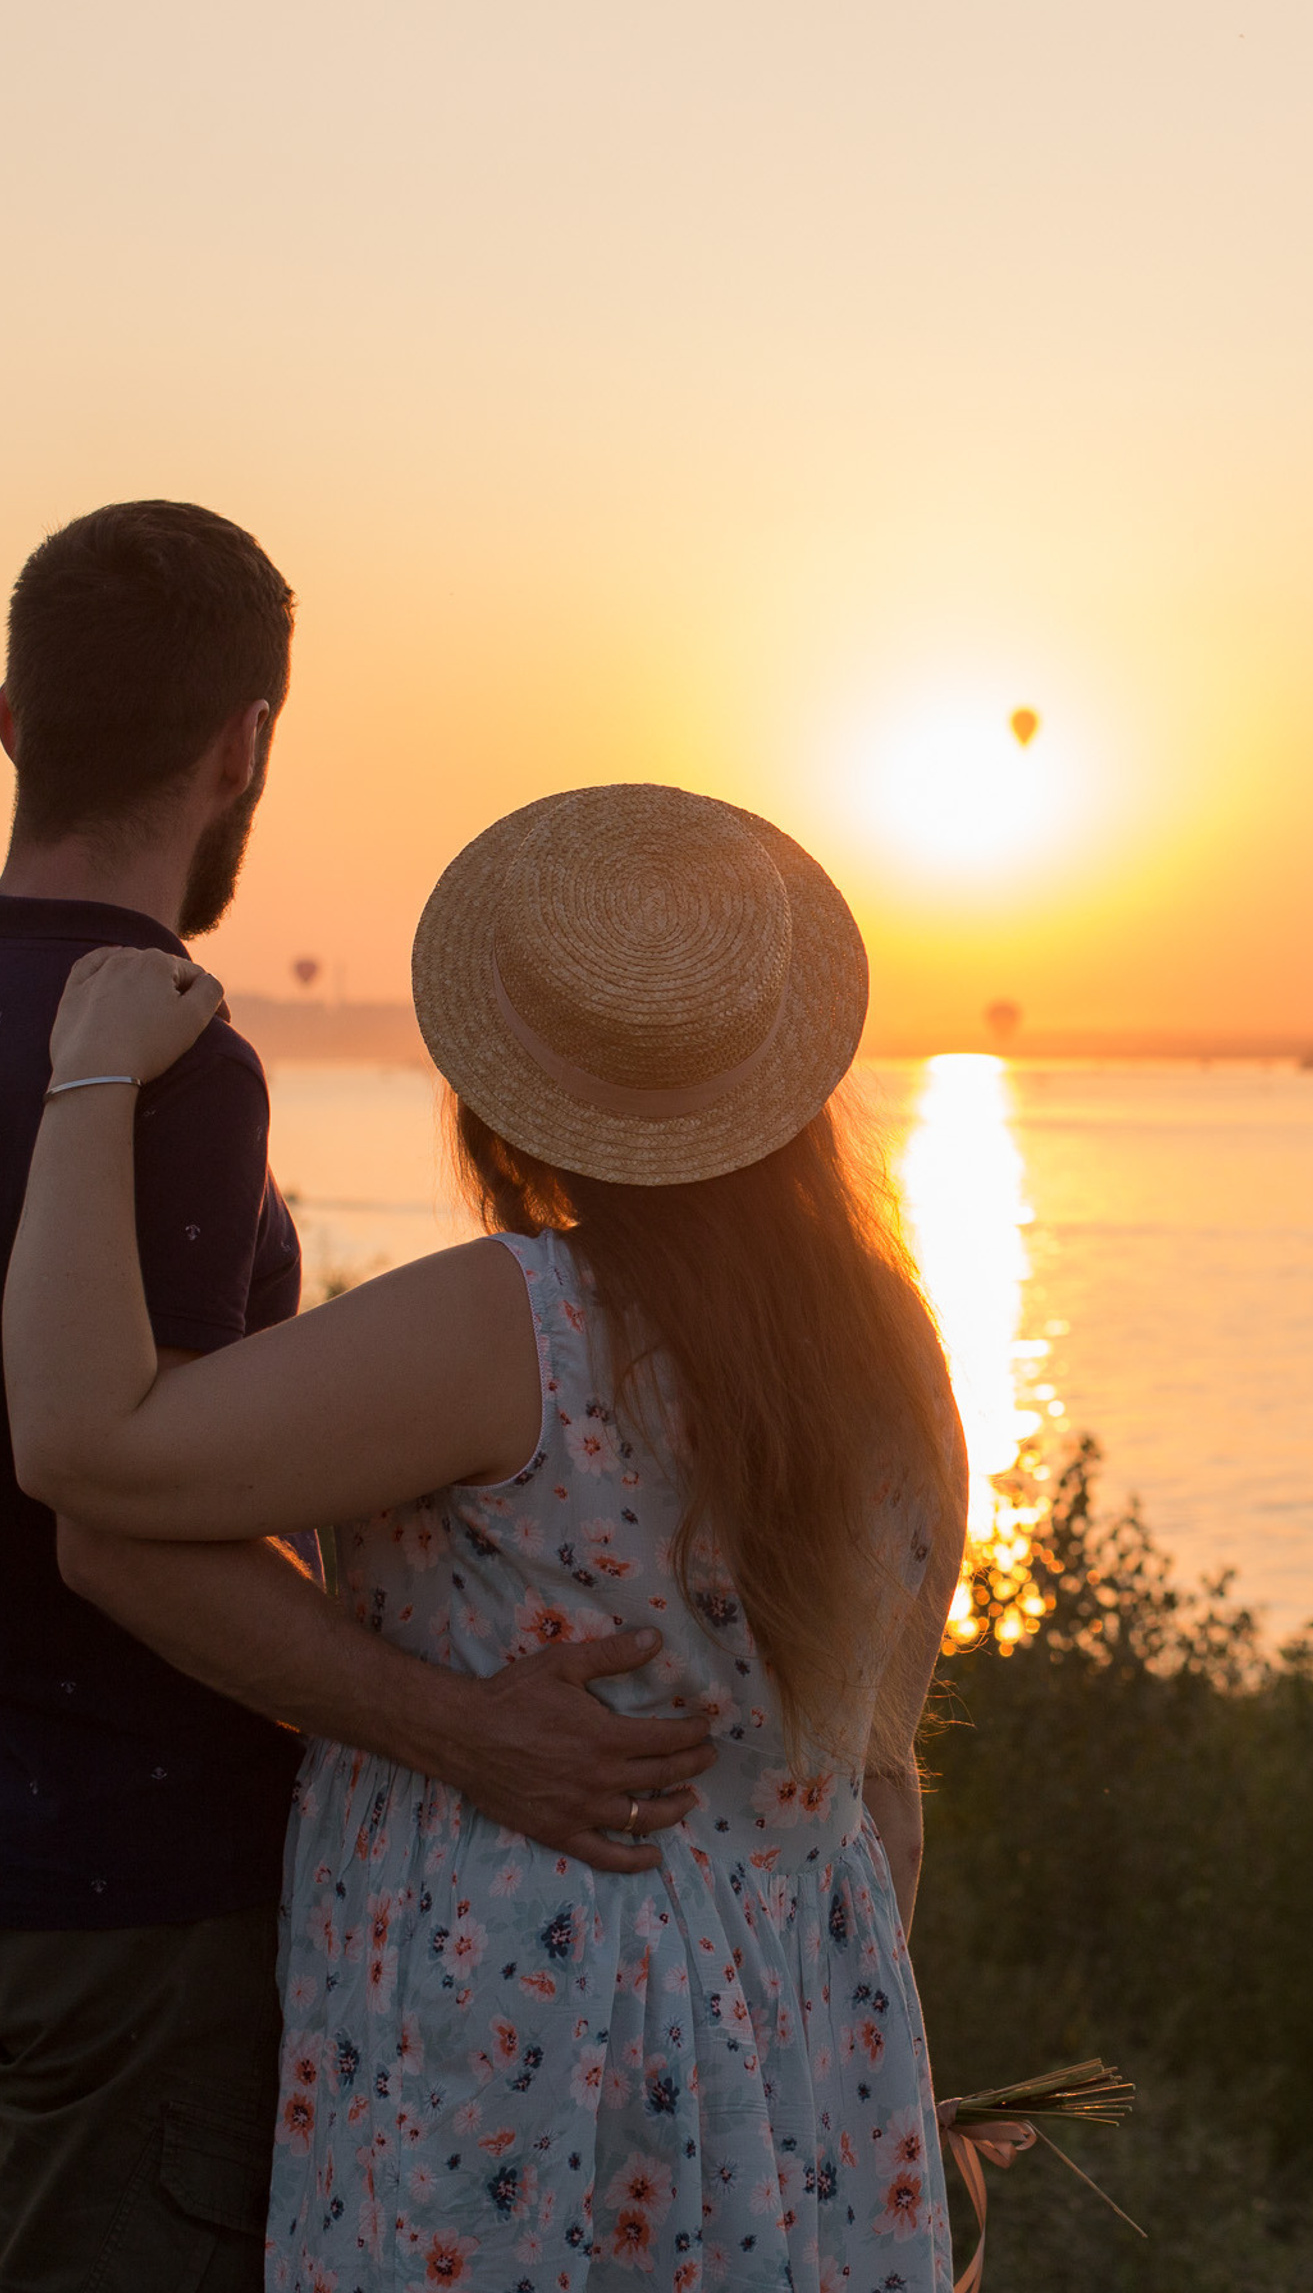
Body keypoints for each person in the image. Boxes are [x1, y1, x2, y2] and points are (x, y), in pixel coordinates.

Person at [9, 780, 969, 2289]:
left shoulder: (512, 1323)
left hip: (520, 2045)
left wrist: (88, 1081)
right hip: (804, 2045)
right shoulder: (891, 1340)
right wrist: (833, 2061)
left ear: (504, 1090)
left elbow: (81, 1445)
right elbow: (880, 1778)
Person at [0, 508, 718, 2290]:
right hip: (108, 1904)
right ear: (248, 739)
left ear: (11, 719)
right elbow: (117, 1521)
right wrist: (463, 1726)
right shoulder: (171, 1058)